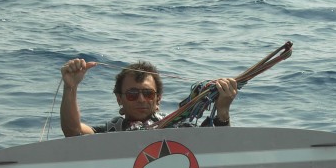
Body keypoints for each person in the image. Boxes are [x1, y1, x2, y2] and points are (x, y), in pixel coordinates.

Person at [60, 58, 238, 137]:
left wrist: (223, 110)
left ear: (158, 99)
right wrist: (71, 87)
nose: (141, 99)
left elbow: (217, 146)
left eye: (148, 94)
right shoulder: (109, 132)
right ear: (119, 99)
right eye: (132, 94)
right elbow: (73, 131)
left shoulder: (181, 128)